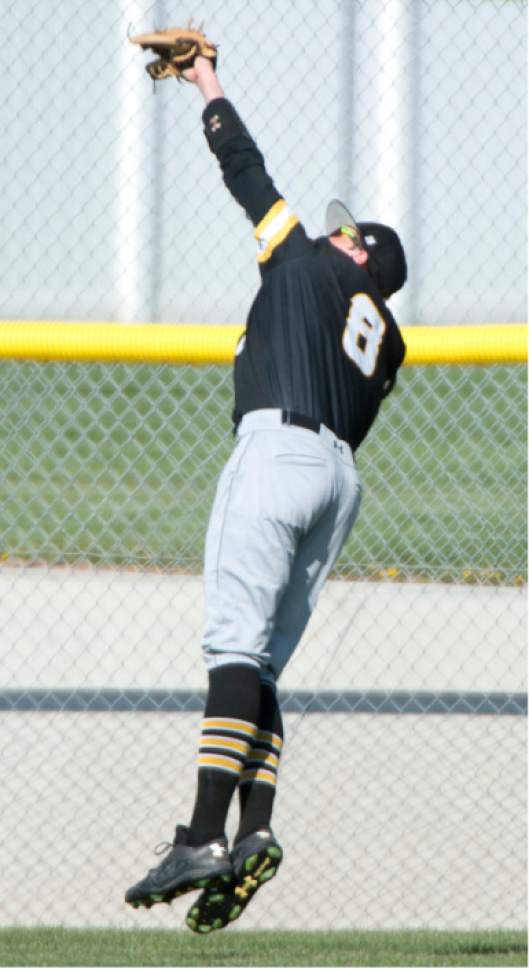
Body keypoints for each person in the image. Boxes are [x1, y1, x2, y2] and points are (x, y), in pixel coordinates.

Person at [125, 52, 407, 934]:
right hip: (338, 481)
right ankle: (254, 833)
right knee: (262, 667)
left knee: (231, 649)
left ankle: (202, 836)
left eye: (344, 231)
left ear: (358, 254)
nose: (329, 233)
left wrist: (206, 81)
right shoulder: (387, 342)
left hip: (278, 453)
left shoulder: (305, 264)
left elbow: (241, 167)